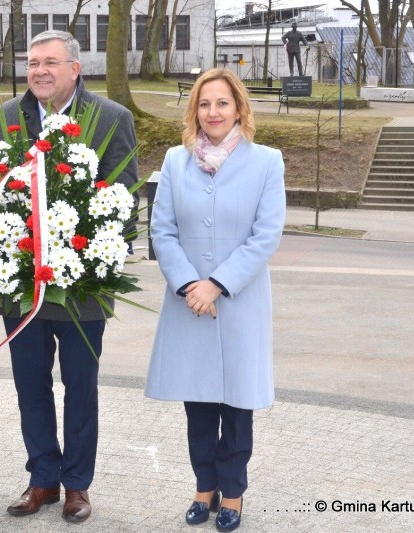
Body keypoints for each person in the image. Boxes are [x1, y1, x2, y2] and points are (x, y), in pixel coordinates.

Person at [0, 30, 138, 524]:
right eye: (33, 62)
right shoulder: (6, 118)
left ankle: (77, 485)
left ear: (76, 69)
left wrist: (95, 257)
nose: (39, 71)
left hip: (81, 289)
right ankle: (42, 480)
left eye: (50, 62)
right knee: (30, 386)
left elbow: (125, 198)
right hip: (21, 287)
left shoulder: (111, 118)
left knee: (80, 386)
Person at [145, 68, 285, 532]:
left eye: (223, 103)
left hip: (237, 302)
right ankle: (204, 487)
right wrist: (189, 283)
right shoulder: (174, 161)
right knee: (199, 405)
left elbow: (265, 236)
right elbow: (162, 231)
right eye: (205, 104)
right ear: (195, 111)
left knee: (236, 406)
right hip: (189, 304)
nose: (213, 112)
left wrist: (217, 284)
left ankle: (235, 493)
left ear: (239, 108)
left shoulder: (266, 162)